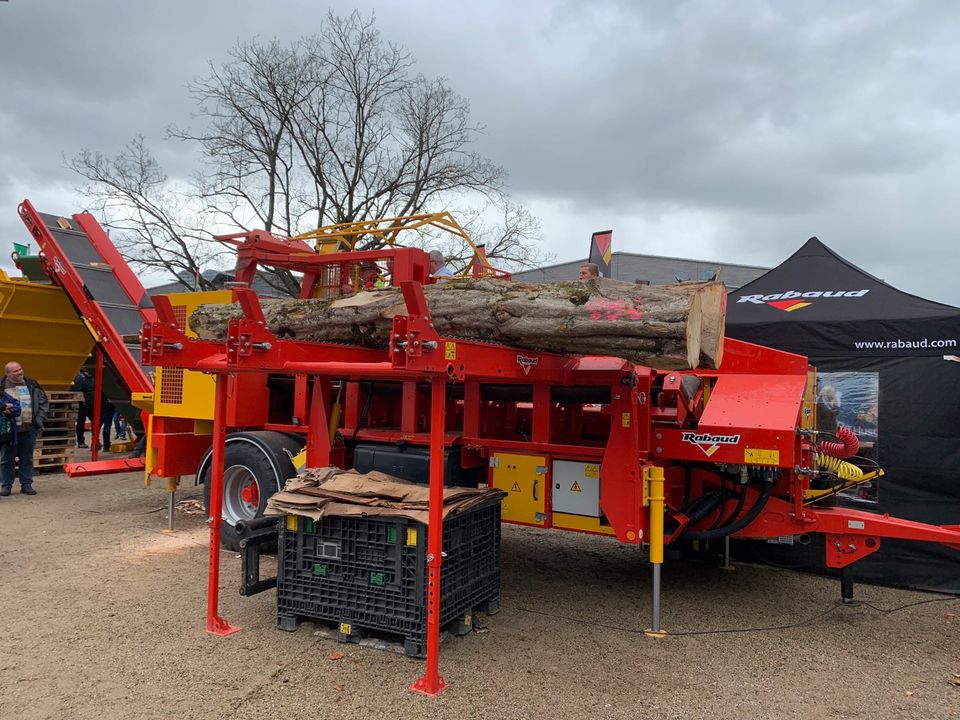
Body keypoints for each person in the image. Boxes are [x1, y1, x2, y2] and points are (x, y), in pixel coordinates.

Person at [1, 361, 49, 496]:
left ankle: (26, 484)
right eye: (15, 371)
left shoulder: (32, 384)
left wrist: (38, 420)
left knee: (26, 457)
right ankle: (6, 485)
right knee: (6, 458)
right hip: (8, 430)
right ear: (8, 374)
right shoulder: (1, 385)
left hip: (29, 428)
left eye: (20, 369)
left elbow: (44, 402)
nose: (19, 372)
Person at [71, 367, 95, 448]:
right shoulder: (81, 378)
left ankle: (95, 440)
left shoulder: (92, 378)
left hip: (92, 404)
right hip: (83, 405)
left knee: (95, 423)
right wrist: (82, 401)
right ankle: (81, 442)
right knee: (81, 424)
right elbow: (76, 391)